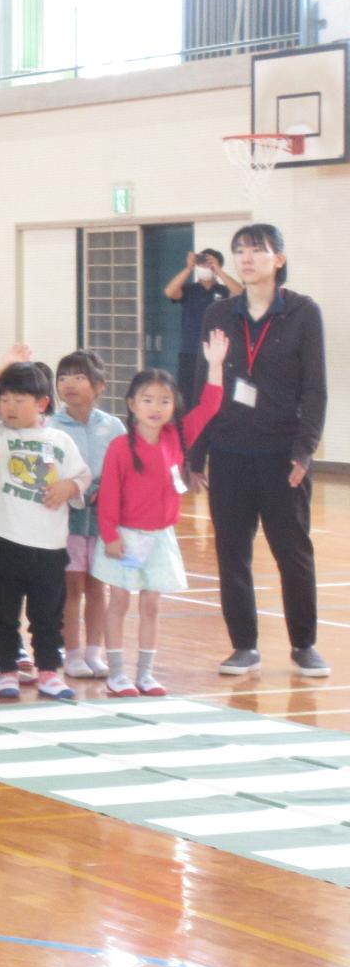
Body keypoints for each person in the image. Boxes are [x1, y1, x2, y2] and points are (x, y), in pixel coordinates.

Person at [201, 223, 329, 677]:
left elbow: (315, 388)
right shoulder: (219, 315)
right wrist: (198, 453)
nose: (246, 258)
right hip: (230, 451)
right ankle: (244, 645)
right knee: (232, 550)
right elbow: (208, 388)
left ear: (279, 258)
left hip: (281, 454)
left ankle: (304, 644)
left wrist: (305, 448)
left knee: (291, 550)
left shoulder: (302, 312)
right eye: (239, 250)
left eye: (257, 249)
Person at [95, 334, 229, 697]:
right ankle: (117, 673)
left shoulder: (178, 436)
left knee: (152, 604)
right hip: (127, 535)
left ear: (174, 405)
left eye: (165, 400)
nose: (156, 406)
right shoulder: (121, 447)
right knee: (120, 601)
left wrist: (215, 364)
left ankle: (146, 673)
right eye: (148, 399)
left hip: (160, 537)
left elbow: (211, 403)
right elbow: (108, 496)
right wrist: (110, 536)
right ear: (132, 404)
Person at [0, 348, 91, 704]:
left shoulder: (61, 441)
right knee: (2, 613)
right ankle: (6, 672)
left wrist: (70, 486)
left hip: (49, 547)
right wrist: (4, 361)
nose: (10, 406)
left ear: (43, 403)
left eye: (20, 399)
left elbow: (82, 476)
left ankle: (49, 671)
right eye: (4, 398)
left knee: (47, 615)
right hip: (4, 543)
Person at [51, 351, 126, 679]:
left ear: (99, 386)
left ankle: (95, 652)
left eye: (79, 377)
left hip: (103, 520)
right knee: (72, 588)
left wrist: (106, 491)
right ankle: (72, 653)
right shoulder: (51, 426)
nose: (69, 384)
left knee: (99, 587)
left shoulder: (113, 426)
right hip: (64, 521)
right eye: (64, 377)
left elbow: (123, 469)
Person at [165, 248, 239, 401]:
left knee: (218, 396)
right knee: (187, 397)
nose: (205, 268)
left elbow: (241, 294)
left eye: (209, 264)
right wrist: (189, 268)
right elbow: (169, 292)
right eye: (202, 264)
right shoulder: (190, 290)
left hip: (218, 354)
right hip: (190, 353)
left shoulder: (224, 291)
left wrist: (218, 270)